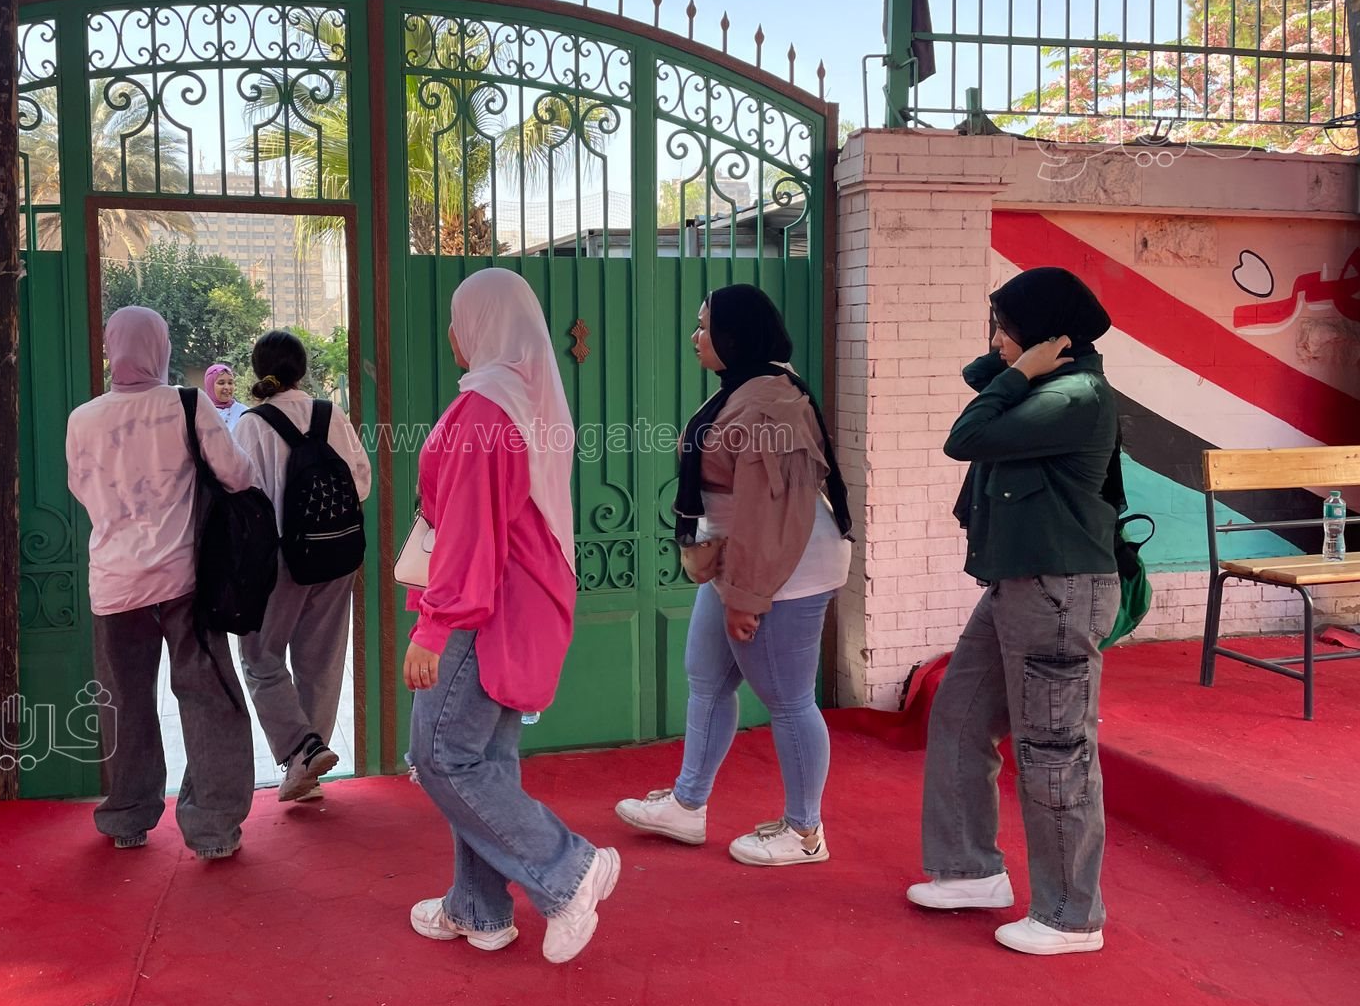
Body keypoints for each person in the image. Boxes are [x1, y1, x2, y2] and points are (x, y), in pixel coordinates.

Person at [404, 267, 619, 965]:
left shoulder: (485, 410)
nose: (450, 332)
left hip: (481, 608)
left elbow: (469, 531)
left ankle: (568, 869)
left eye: (458, 317)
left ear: (482, 323)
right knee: (484, 760)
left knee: (441, 756)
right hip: (517, 601)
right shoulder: (525, 397)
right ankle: (479, 908)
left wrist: (434, 625)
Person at [906, 266, 1121, 957]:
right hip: (1019, 584)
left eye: (1006, 327)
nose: (996, 341)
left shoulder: (1074, 397)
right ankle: (971, 870)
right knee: (960, 714)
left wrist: (1023, 367)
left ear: (1048, 335)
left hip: (1057, 590)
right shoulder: (1043, 384)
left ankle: (1070, 916)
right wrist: (1018, 360)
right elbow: (983, 377)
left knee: (1055, 750)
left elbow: (966, 436)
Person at [614, 284, 854, 867]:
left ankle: (805, 833)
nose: (695, 337)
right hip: (742, 561)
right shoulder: (747, 388)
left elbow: (773, 513)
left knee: (788, 700)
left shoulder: (771, 403)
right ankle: (687, 805)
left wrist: (748, 596)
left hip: (782, 568)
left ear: (736, 335)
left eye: (705, 326)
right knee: (706, 677)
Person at [65, 306, 259, 860]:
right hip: (185, 581)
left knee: (124, 701)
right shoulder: (187, 403)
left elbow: (80, 488)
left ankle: (127, 816)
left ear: (112, 348)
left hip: (114, 584)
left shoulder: (83, 418)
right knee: (208, 698)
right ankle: (214, 829)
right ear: (161, 347)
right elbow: (238, 474)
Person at [233, 330, 372, 804]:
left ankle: (301, 750)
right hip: (337, 552)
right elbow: (362, 483)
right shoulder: (332, 415)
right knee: (322, 660)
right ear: (302, 370)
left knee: (260, 657)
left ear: (259, 370)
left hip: (278, 558)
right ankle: (309, 768)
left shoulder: (251, 425)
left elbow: (240, 494)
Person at [204, 362, 248, 431]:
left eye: (230, 383)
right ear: (210, 385)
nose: (227, 387)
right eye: (221, 383)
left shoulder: (244, 413)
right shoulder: (199, 413)